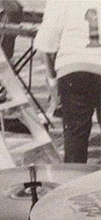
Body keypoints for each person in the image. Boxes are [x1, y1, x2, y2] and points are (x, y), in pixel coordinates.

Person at [34, 0, 101, 163]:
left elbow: (45, 46)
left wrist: (52, 85)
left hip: (72, 67)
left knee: (75, 139)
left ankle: (74, 182)